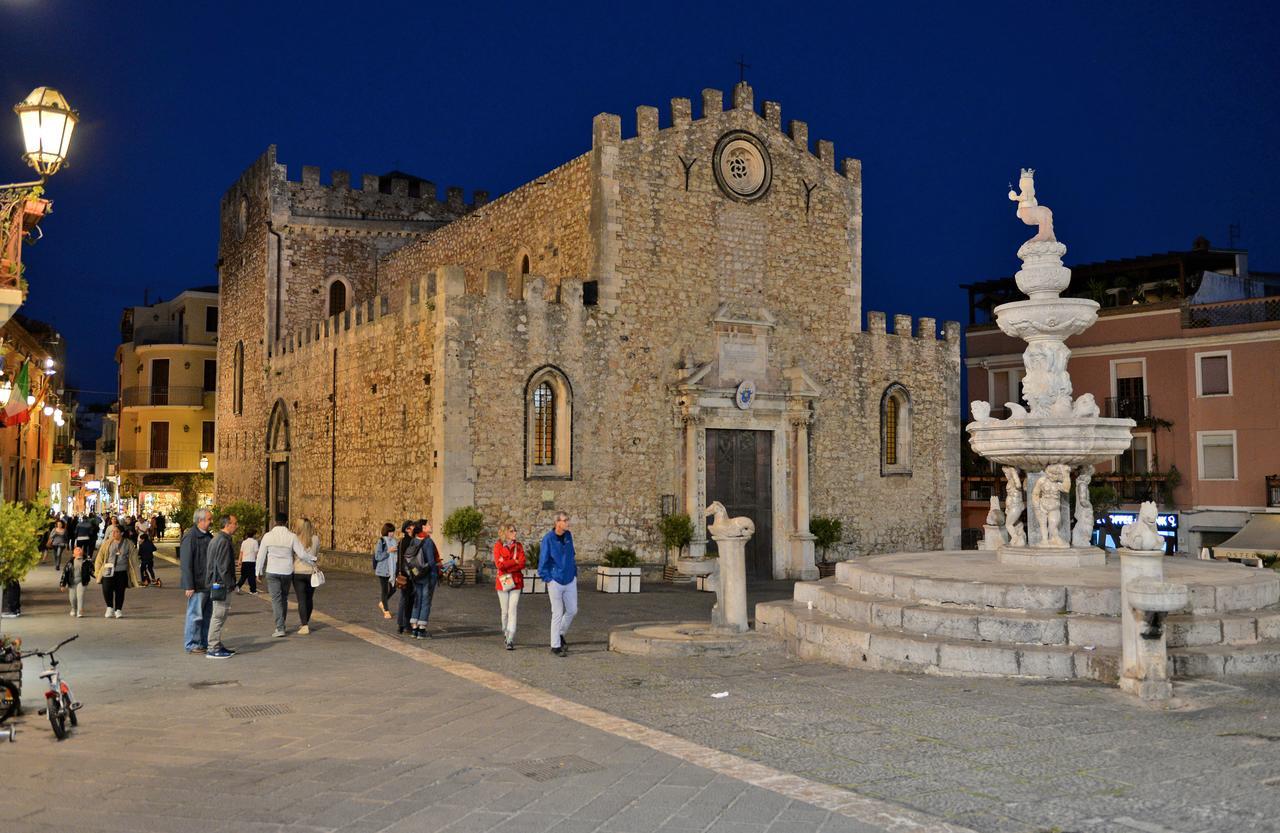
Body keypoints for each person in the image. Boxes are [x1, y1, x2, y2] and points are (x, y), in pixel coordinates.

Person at [257, 513, 311, 637]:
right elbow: (301, 554)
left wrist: (258, 572)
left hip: (272, 570)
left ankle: (280, 627)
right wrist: (312, 559)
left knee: (276, 599)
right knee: (284, 598)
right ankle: (282, 623)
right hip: (287, 571)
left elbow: (261, 555)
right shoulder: (292, 536)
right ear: (286, 523)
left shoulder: (268, 536)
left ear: (275, 522)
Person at [539, 511, 578, 657]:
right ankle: (555, 646)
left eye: (568, 520)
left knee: (573, 610)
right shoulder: (548, 539)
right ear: (557, 523)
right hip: (555, 580)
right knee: (557, 612)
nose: (568, 522)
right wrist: (548, 578)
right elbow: (543, 560)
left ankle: (560, 633)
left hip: (570, 579)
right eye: (565, 520)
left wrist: (574, 573)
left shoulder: (568, 536)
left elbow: (571, 555)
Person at [179, 508, 215, 654]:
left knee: (207, 615)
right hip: (197, 583)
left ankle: (203, 641)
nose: (211, 522)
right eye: (209, 519)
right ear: (200, 520)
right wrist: (189, 585)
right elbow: (186, 562)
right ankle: (192, 643)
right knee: (195, 614)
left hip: (208, 583)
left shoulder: (208, 537)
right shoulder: (191, 537)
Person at [205, 514, 238, 659]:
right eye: (235, 523)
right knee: (219, 615)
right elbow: (223, 566)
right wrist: (230, 584)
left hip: (217, 581)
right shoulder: (223, 541)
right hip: (221, 584)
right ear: (228, 524)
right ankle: (213, 646)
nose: (236, 526)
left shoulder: (216, 539)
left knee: (219, 614)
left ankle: (216, 644)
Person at [403, 519, 440, 639]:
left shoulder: (414, 540)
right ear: (423, 528)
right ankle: (421, 630)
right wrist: (436, 573)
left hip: (416, 575)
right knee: (426, 602)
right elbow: (431, 561)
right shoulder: (427, 541)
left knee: (417, 601)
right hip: (427, 575)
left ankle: (414, 628)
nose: (431, 526)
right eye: (429, 524)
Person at [492, 522, 526, 650]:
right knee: (505, 611)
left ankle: (510, 637)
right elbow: (498, 565)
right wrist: (514, 561)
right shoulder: (498, 546)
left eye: (515, 530)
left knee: (513, 609)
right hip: (503, 580)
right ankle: (505, 632)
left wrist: (507, 563)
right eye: (511, 531)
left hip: (516, 581)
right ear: (505, 533)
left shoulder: (519, 546)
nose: (514, 533)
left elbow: (522, 563)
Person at [95, 524, 140, 618]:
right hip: (108, 570)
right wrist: (98, 570)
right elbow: (100, 557)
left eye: (116, 532)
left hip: (122, 571)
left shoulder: (128, 544)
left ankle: (118, 609)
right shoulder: (107, 543)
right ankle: (109, 607)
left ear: (122, 533)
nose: (113, 533)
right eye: (113, 532)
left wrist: (137, 575)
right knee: (106, 589)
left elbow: (134, 559)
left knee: (120, 591)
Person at [290, 518, 320, 635]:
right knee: (309, 598)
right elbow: (316, 552)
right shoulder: (316, 539)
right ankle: (306, 621)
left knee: (301, 599)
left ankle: (304, 625)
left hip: (298, 571)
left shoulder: (295, 539)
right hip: (311, 572)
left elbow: (292, 554)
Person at [394, 520, 415, 634]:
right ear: (407, 529)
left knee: (405, 599)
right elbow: (402, 559)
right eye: (412, 526)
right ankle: (405, 624)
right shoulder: (406, 542)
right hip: (406, 574)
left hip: (405, 573)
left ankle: (401, 624)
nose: (414, 528)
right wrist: (400, 573)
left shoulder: (408, 541)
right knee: (406, 599)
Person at [60, 544, 92, 617]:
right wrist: (62, 584)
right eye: (76, 549)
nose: (79, 550)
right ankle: (73, 608)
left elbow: (92, 571)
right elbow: (65, 573)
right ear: (73, 554)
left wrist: (98, 577)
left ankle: (80, 611)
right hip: (72, 582)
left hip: (82, 582)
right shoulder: (70, 563)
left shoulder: (86, 562)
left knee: (80, 595)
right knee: (72, 598)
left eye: (80, 549)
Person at [373, 522, 398, 619]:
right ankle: (386, 611)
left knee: (393, 589)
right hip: (383, 570)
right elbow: (377, 556)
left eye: (393, 532)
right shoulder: (381, 541)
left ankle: (382, 602)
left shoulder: (394, 541)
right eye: (390, 532)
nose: (392, 533)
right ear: (386, 531)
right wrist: (388, 551)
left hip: (392, 570)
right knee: (384, 590)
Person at [236, 528, 259, 594]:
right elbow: (256, 552)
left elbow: (241, 552)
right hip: (251, 561)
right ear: (254, 534)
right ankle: (253, 590)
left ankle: (238, 585)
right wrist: (257, 560)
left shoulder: (244, 542)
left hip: (244, 561)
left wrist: (239, 561)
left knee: (243, 576)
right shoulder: (255, 542)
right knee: (252, 576)